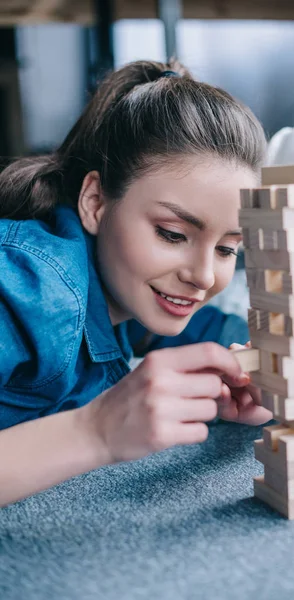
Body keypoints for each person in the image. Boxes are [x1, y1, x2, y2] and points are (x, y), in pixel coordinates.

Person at [0, 59, 272, 507]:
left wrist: (254, 376)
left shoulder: (127, 293)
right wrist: (95, 431)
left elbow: (220, 336)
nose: (203, 276)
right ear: (95, 201)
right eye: (172, 234)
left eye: (228, 249)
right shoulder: (29, 292)